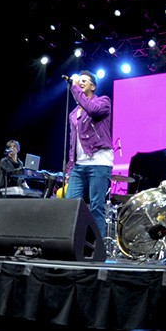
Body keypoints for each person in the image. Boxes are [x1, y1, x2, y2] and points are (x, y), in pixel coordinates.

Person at [64, 70, 113, 239]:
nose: (80, 83)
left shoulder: (103, 101)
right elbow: (73, 142)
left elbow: (92, 110)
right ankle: (73, 242)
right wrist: (70, 168)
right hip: (79, 165)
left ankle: (98, 247)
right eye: (79, 81)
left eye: (84, 81)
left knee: (96, 206)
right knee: (71, 205)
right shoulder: (73, 114)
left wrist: (75, 88)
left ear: (93, 86)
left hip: (99, 161)